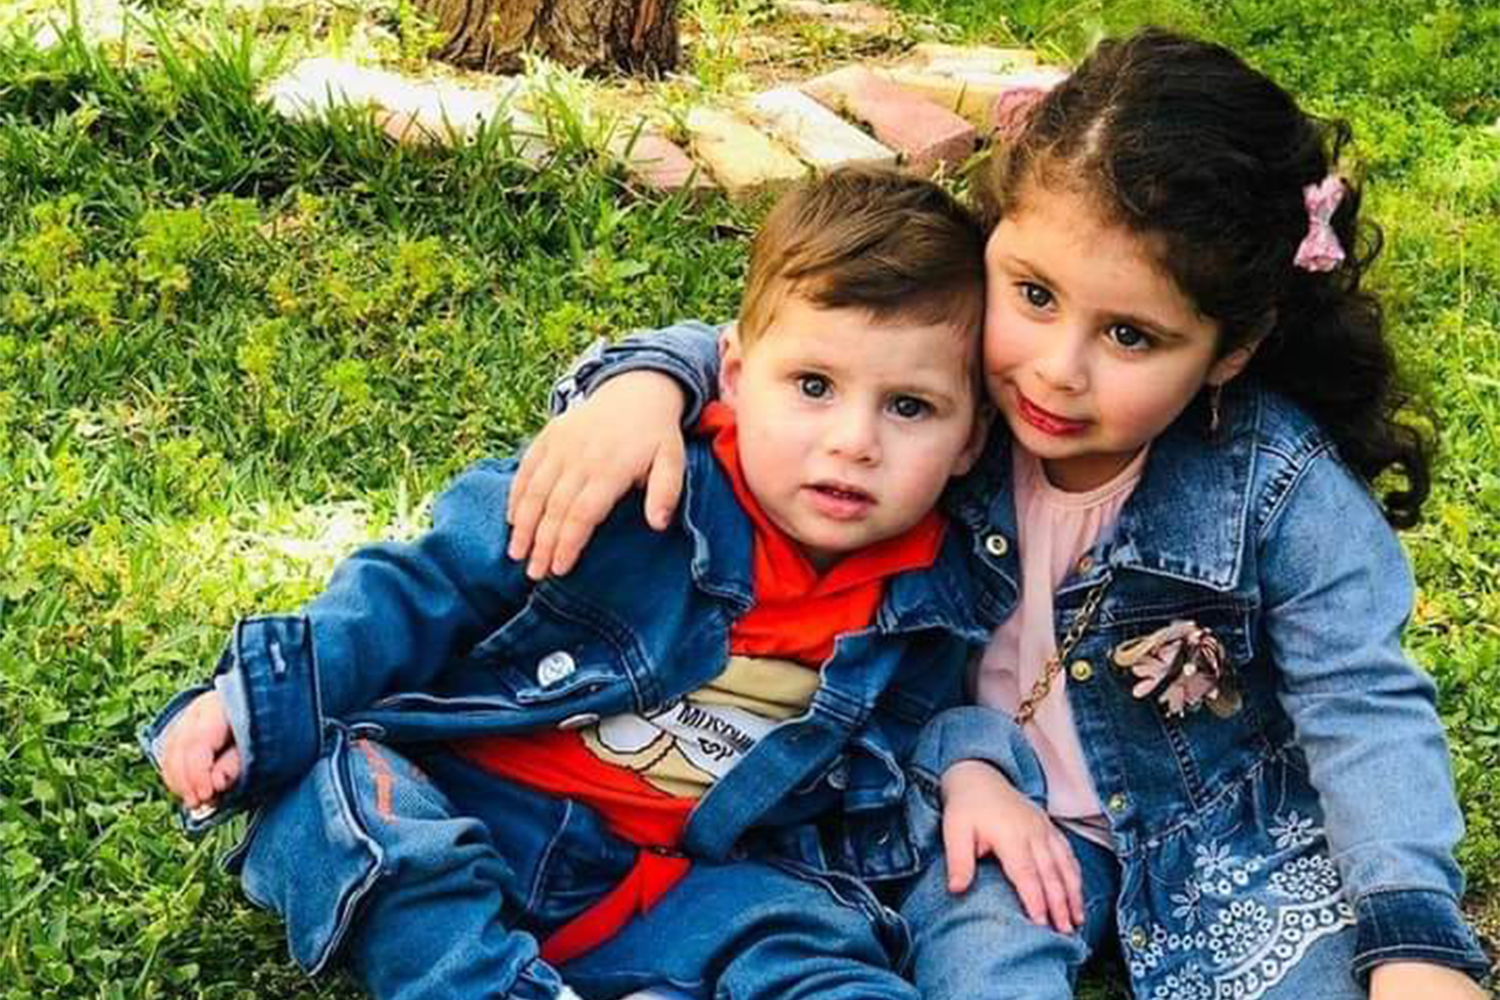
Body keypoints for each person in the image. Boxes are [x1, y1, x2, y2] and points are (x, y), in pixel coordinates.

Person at [503, 28, 1491, 1000]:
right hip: (978, 798)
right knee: (979, 962)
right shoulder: (930, 403)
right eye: (1033, 294)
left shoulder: (1275, 484)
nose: (1057, 370)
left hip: (1227, 837)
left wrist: (1417, 936)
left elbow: (1362, 706)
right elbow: (786, 347)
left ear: (1230, 351)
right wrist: (645, 383)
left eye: (1130, 335)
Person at [141, 167, 997, 1000]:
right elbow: (426, 585)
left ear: (970, 441)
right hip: (479, 804)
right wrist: (255, 703)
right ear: (734, 377)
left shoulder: (937, 598)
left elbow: (891, 775)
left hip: (684, 882)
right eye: (813, 387)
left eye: (910, 407)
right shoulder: (630, 481)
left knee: (817, 943)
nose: (854, 441)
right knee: (343, 807)